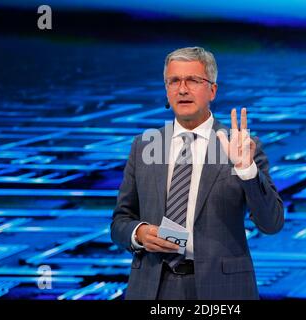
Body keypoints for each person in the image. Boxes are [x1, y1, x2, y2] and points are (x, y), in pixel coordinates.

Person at [111, 46, 284, 300]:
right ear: (167, 90)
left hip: (223, 291)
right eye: (174, 81)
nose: (182, 89)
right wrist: (138, 233)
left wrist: (246, 170)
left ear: (212, 90)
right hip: (151, 288)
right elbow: (120, 222)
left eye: (193, 80)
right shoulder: (144, 146)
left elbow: (272, 223)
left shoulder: (242, 145)